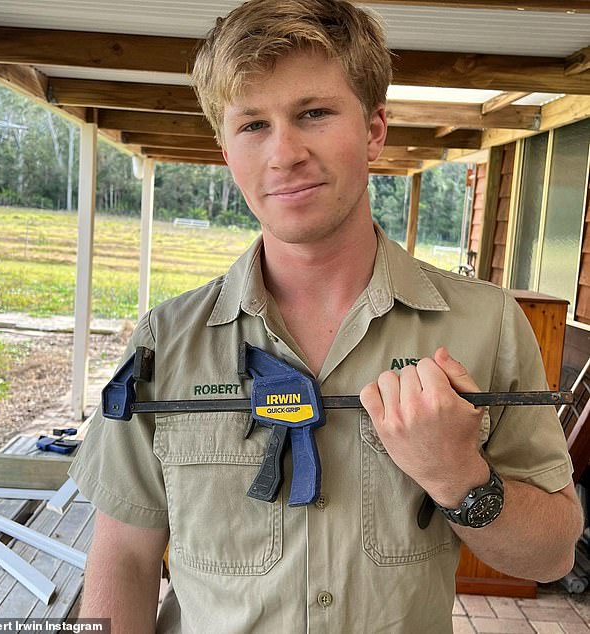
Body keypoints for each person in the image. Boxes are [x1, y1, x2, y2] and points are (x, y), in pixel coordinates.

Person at [69, 1, 584, 632]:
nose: (284, 154)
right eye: (253, 125)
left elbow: (553, 552)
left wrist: (459, 476)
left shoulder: (488, 324)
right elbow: (123, 556)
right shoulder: (165, 342)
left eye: (313, 113)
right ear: (225, 151)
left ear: (373, 130)